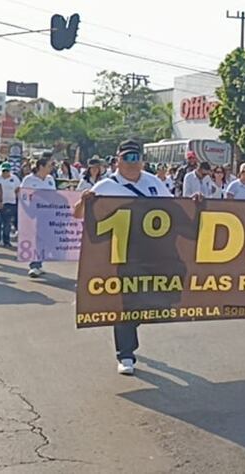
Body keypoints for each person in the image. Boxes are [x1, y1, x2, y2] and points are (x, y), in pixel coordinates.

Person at [73, 139, 178, 375]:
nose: (132, 163)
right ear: (117, 160)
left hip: (153, 252)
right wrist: (84, 201)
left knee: (152, 300)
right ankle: (126, 354)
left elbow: (175, 208)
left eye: (136, 158)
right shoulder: (105, 186)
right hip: (121, 254)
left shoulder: (154, 183)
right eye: (127, 158)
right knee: (126, 302)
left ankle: (133, 325)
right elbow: (77, 215)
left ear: (142, 160)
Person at [21, 157, 56, 278]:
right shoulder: (29, 180)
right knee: (36, 239)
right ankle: (34, 265)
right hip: (34, 213)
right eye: (49, 165)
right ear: (41, 166)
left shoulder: (50, 179)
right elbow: (23, 196)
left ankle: (39, 263)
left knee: (44, 239)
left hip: (48, 213)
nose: (51, 168)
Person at [0, 162, 21, 249]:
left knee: (7, 223)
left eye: (7, 171)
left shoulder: (14, 178)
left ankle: (6, 241)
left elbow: (18, 189)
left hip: (10, 203)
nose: (5, 172)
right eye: (3, 171)